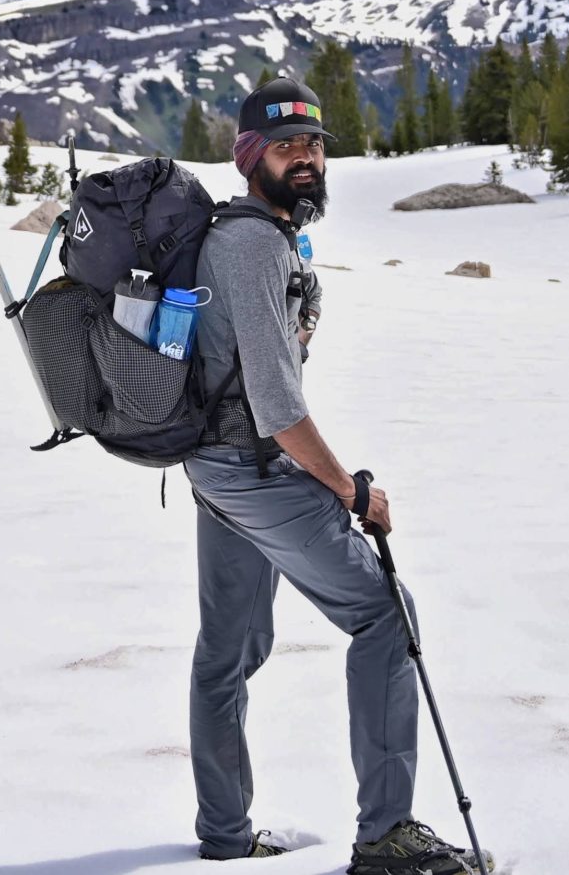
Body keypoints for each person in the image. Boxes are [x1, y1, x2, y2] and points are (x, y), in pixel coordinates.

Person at [184, 76, 485, 872]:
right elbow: (280, 409)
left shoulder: (255, 237)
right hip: (253, 469)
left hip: (218, 470)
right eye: (286, 146)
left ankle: (224, 834)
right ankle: (386, 836)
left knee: (228, 651)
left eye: (315, 143)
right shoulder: (251, 244)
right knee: (386, 615)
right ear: (250, 156)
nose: (307, 157)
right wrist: (351, 491)